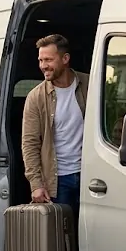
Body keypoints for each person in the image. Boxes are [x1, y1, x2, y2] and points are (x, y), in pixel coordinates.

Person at [22, 33, 89, 219]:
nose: (43, 65)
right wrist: (36, 184)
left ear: (65, 58)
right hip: (59, 181)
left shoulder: (90, 84)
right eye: (41, 60)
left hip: (91, 175)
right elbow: (29, 144)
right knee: (63, 238)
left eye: (49, 60)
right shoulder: (36, 97)